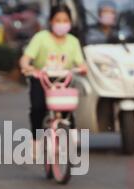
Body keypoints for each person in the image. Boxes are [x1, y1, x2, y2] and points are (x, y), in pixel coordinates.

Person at [19, 4, 87, 158]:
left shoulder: (73, 42)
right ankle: (36, 142)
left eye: (65, 20)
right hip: (40, 79)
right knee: (38, 108)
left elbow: (81, 63)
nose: (61, 23)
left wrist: (83, 68)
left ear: (70, 22)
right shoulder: (40, 38)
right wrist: (27, 67)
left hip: (63, 79)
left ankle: (72, 131)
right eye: (58, 20)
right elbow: (26, 59)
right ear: (51, 21)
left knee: (67, 106)